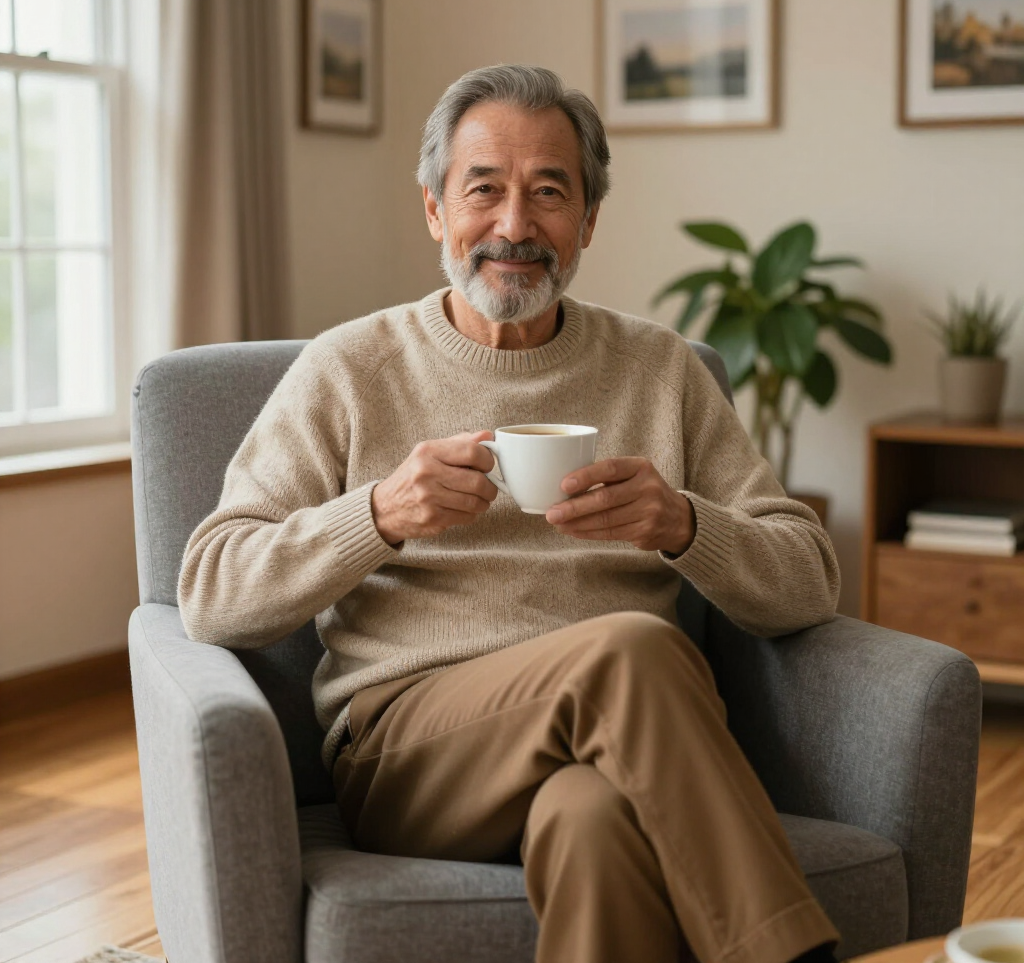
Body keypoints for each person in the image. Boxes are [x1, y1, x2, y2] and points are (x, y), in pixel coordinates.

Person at [179, 64, 842, 963]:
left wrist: (683, 524)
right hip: (411, 754)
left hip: (615, 744)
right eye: (483, 190)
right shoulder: (351, 368)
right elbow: (211, 592)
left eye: (550, 193)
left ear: (590, 222)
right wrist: (375, 514)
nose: (516, 226)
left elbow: (808, 580)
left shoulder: (661, 369)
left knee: (595, 820)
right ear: (434, 211)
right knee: (634, 647)